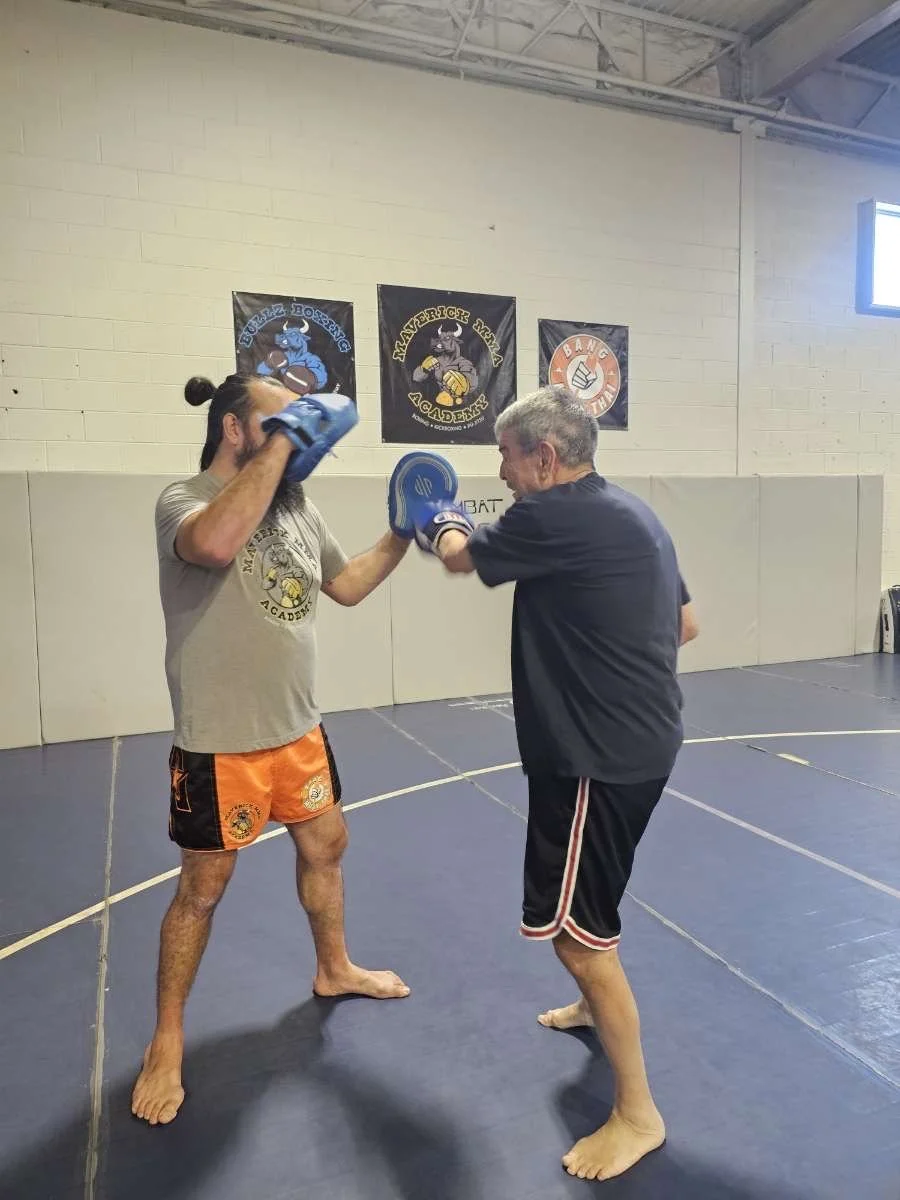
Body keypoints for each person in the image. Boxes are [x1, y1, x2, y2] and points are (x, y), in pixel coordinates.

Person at [411, 384, 698, 1182]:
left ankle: (637, 1114)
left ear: (543, 455)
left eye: (505, 456)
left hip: (592, 760)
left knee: (576, 933)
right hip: (642, 744)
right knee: (594, 904)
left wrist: (437, 514)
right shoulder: (636, 515)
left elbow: (461, 558)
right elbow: (685, 626)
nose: (501, 472)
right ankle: (589, 1009)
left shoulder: (552, 514)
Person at [132, 373, 411, 1128]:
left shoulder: (295, 505)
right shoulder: (183, 500)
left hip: (299, 731)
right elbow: (218, 544)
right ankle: (166, 1041)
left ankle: (334, 967)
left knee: (327, 846)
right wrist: (291, 436)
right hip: (221, 746)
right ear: (234, 428)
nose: (301, 433)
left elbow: (345, 584)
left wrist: (403, 530)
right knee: (203, 891)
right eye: (281, 420)